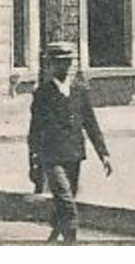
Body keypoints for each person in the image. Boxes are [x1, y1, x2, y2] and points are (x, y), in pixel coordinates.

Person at [27, 40, 112, 244]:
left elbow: (91, 124)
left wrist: (104, 154)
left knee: (66, 197)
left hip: (74, 153)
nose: (63, 66)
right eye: (58, 62)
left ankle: (56, 232)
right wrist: (34, 160)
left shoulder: (79, 91)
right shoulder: (43, 94)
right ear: (49, 65)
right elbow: (34, 130)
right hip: (51, 155)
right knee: (65, 199)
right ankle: (71, 240)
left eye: (67, 62)